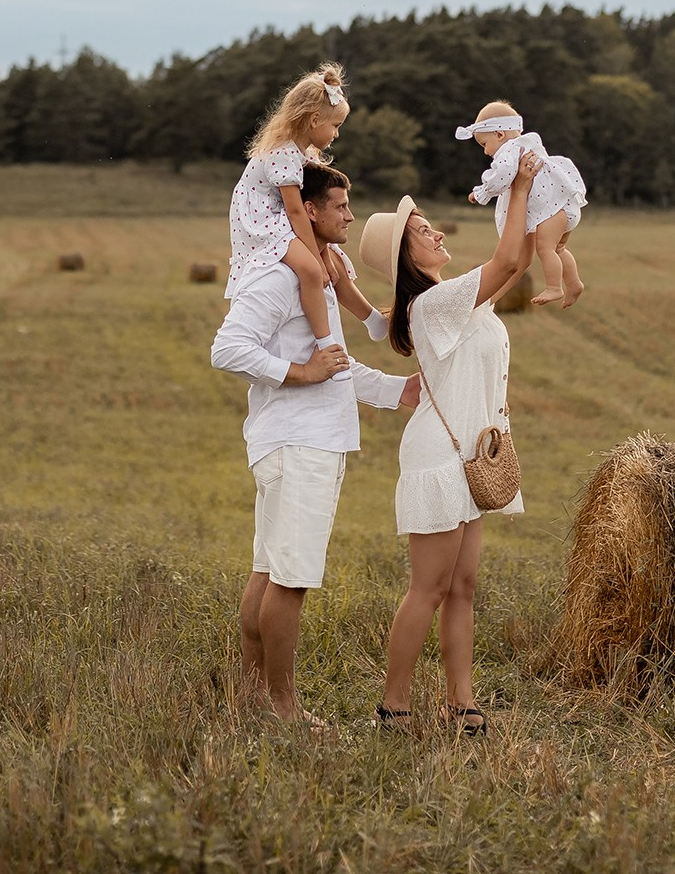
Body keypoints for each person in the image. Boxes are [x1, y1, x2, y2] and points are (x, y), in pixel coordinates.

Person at [210, 162, 418, 728]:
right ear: (306, 210)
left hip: (301, 442)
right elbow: (227, 347)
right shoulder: (279, 278)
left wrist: (398, 392)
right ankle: (282, 708)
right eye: (341, 206)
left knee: (269, 570)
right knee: (292, 578)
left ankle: (254, 700)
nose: (350, 215)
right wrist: (297, 372)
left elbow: (338, 367)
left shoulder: (322, 273)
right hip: (297, 445)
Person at [356, 146, 543, 736]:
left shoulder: (454, 300)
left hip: (469, 456)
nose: (435, 231)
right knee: (429, 588)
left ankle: (462, 705)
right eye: (421, 230)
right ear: (405, 257)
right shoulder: (434, 303)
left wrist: (540, 198)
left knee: (462, 586)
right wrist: (514, 185)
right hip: (439, 457)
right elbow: (507, 256)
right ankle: (394, 707)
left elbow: (518, 262)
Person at [226, 62, 387, 382]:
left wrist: (326, 253)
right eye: (335, 126)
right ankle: (327, 344)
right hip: (262, 222)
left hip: (282, 218)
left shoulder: (306, 154)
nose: (337, 134)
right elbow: (297, 211)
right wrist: (316, 257)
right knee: (313, 270)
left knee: (335, 262)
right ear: (315, 120)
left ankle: (373, 321)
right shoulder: (283, 152)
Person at [458, 100, 588, 308]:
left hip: (551, 210)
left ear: (499, 134)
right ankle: (574, 283)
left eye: (484, 144)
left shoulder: (508, 151)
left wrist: (481, 192)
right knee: (559, 249)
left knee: (545, 249)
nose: (485, 151)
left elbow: (501, 176)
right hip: (564, 206)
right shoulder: (530, 142)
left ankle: (554, 287)